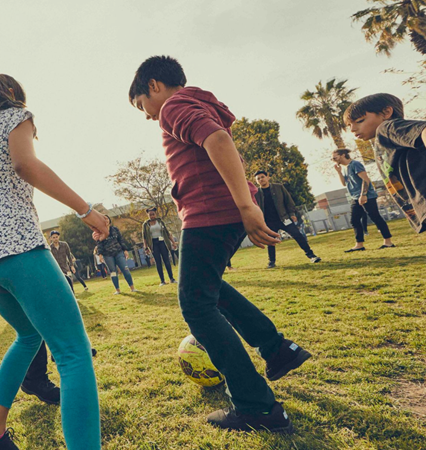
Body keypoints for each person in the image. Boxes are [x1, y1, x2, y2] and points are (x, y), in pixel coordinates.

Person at [129, 55, 311, 432]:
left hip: (210, 213)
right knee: (208, 289)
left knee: (196, 305)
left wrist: (247, 206)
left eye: (141, 104)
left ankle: (257, 407)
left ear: (154, 86)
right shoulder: (195, 102)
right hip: (220, 212)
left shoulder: (173, 106)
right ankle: (277, 348)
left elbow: (218, 140)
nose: (146, 115)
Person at [0, 64, 109, 450]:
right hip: (17, 248)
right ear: (12, 97)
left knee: (29, 335)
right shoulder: (17, 116)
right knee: (73, 352)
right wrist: (86, 211)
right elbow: (25, 165)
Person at [344, 93, 426, 234]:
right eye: (349, 125)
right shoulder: (384, 140)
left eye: (359, 121)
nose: (352, 129)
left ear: (386, 112)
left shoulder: (387, 128)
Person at [253, 171, 321, 268]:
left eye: (262, 177)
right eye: (258, 179)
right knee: (270, 242)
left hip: (284, 218)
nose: (261, 179)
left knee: (298, 235)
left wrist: (292, 214)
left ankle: (311, 256)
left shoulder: (278, 187)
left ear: (268, 177)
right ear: (256, 181)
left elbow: (288, 201)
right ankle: (271, 262)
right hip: (268, 222)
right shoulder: (256, 193)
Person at [331, 149, 395, 251]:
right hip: (355, 197)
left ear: (343, 155)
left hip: (367, 196)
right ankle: (359, 245)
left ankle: (388, 242)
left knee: (375, 217)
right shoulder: (345, 168)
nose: (333, 160)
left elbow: (365, 180)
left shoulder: (355, 164)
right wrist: (339, 172)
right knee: (354, 220)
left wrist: (363, 195)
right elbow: (344, 183)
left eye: (335, 157)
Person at [95, 218, 136, 295]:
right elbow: (99, 244)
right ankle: (117, 290)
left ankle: (132, 288)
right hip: (107, 255)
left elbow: (121, 240)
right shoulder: (100, 232)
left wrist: (125, 250)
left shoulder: (114, 229)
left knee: (125, 269)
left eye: (107, 219)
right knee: (113, 272)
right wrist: (100, 255)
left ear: (109, 220)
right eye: (104, 219)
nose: (106, 220)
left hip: (118, 252)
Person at [141, 207, 177, 285]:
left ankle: (171, 278)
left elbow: (167, 233)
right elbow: (144, 237)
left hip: (162, 242)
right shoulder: (145, 224)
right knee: (158, 262)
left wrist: (173, 242)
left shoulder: (160, 222)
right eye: (150, 215)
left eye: (153, 214)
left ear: (155, 214)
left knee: (166, 260)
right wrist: (146, 247)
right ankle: (162, 281)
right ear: (148, 215)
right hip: (153, 244)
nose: (152, 216)